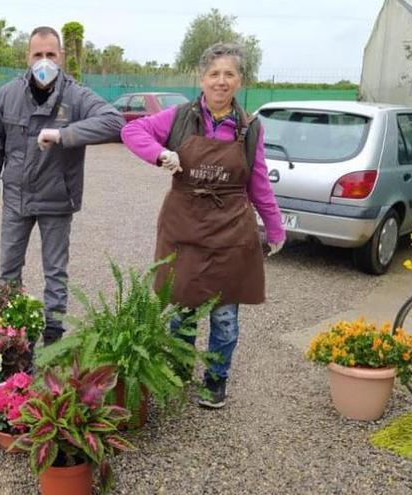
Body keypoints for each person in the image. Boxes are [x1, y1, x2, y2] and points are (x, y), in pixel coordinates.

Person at [120, 43, 285, 409]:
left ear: (240, 80)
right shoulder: (178, 117)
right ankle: (178, 373)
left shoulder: (250, 128)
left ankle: (215, 379)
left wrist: (274, 229)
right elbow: (131, 133)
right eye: (214, 74)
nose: (221, 82)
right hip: (185, 229)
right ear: (202, 78)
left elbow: (258, 183)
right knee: (183, 309)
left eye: (229, 74)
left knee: (225, 316)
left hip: (231, 231)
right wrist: (160, 154)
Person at [0, 26, 125, 345]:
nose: (44, 61)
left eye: (50, 55)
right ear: (27, 57)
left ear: (61, 57)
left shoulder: (76, 94)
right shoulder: (8, 94)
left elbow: (114, 121)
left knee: (55, 273)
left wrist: (63, 134)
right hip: (16, 198)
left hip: (57, 199)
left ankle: (53, 337)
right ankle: (6, 332)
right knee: (8, 270)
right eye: (37, 55)